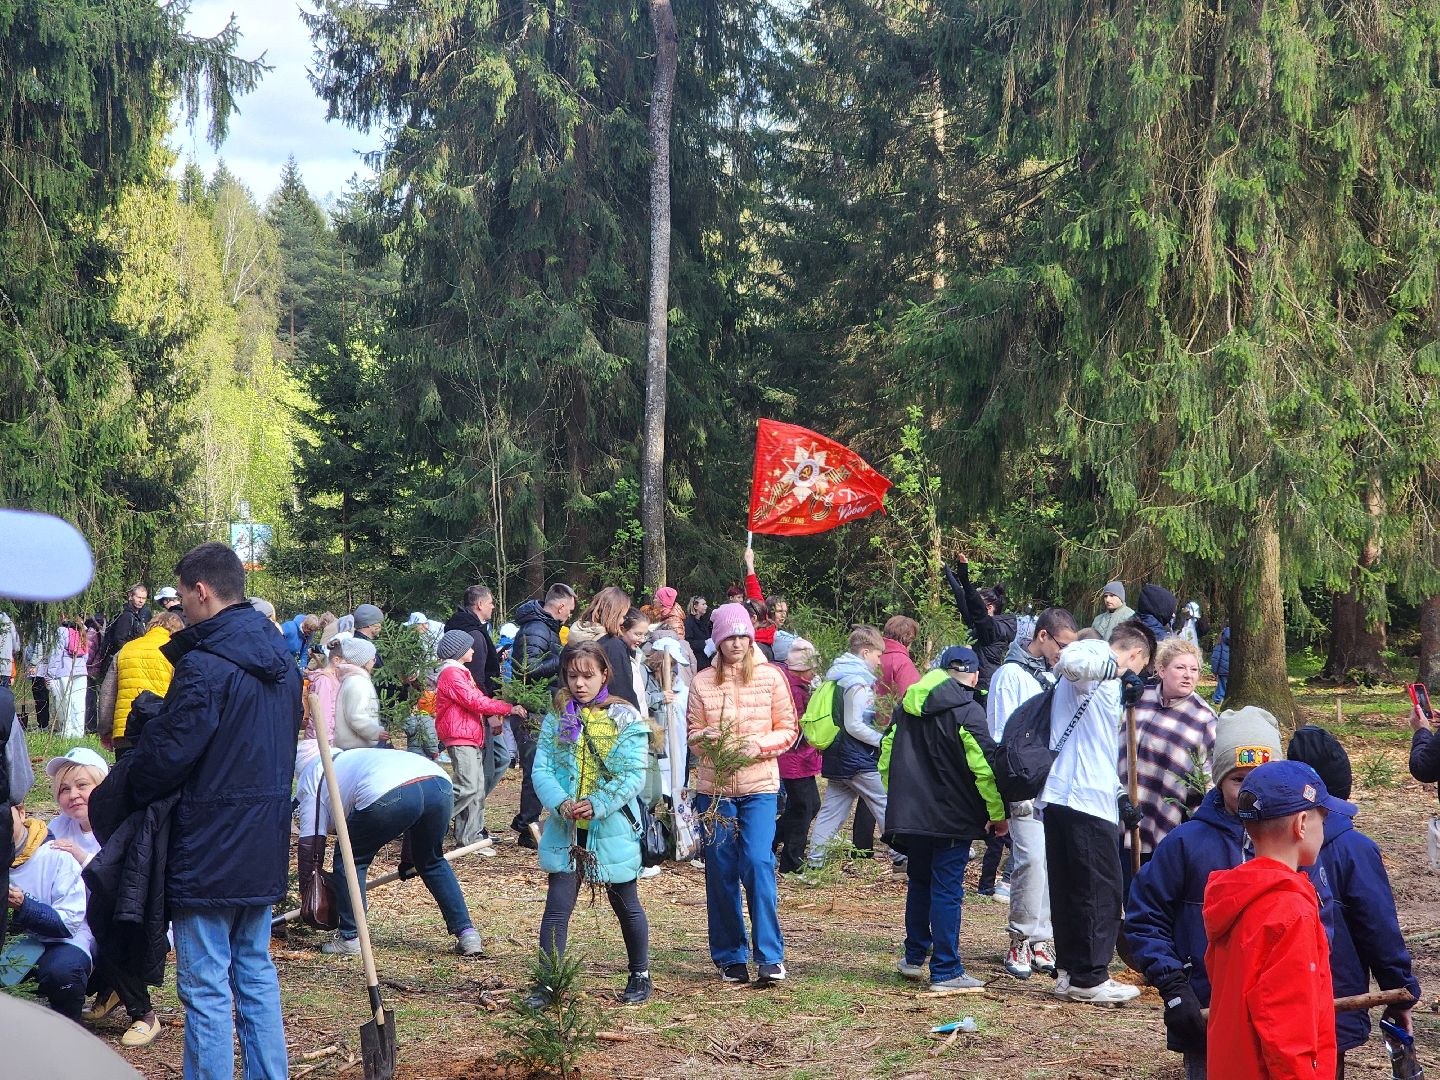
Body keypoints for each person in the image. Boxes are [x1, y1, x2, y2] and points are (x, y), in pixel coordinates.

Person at [122, 542, 298, 1080]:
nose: (180, 613)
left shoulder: (204, 665)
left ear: (202, 592)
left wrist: (137, 754)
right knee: (253, 972)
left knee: (204, 986)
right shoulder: (284, 662)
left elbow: (166, 760)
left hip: (209, 846)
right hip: (262, 842)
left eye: (184, 600)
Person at [1124, 707, 1288, 1079]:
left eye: (1262, 779)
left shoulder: (1296, 842)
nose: (1251, 792)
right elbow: (1145, 916)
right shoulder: (1187, 843)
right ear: (1218, 780)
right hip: (1206, 1011)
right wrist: (1174, 986)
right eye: (1238, 780)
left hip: (1278, 1013)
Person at [1203, 761, 1348, 1080]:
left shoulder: (1235, 897)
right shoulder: (1291, 911)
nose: (1325, 830)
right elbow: (1287, 1030)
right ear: (1302, 824)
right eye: (1322, 819)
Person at [526, 641, 652, 1006]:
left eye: (587, 675)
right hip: (566, 831)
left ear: (604, 675)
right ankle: (548, 981)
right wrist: (561, 803)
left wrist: (596, 804)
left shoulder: (625, 719)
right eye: (572, 675)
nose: (579, 683)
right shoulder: (559, 717)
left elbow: (632, 776)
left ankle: (640, 973)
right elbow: (543, 769)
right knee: (557, 907)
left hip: (611, 829)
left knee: (625, 903)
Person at [1286, 725, 1418, 1067]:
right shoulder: (1355, 849)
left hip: (1288, 1009)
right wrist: (1402, 990)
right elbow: (1377, 926)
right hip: (1329, 1005)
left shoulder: (1264, 837)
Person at [1038, 622, 1154, 1003]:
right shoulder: (1100, 655)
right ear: (1136, 654)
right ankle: (1090, 978)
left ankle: (1071, 972)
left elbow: (1097, 748)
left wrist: (1120, 795)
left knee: (1071, 888)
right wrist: (1120, 670)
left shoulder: (1103, 683)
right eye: (1143, 667)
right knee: (1099, 890)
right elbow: (1068, 659)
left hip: (1078, 794)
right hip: (1079, 798)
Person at [687, 602, 797, 985]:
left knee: (757, 861)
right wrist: (705, 739)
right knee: (720, 868)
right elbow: (692, 734)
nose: (736, 643)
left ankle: (770, 954)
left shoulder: (771, 677)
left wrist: (759, 745)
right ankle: (730, 954)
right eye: (729, 637)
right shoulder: (702, 682)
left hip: (760, 787)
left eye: (742, 636)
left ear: (751, 638)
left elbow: (788, 729)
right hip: (714, 791)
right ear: (718, 641)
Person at [883, 645, 1005, 992]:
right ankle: (947, 971)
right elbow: (985, 769)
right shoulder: (969, 711)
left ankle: (913, 957)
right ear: (975, 676)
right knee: (948, 891)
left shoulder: (906, 706)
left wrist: (900, 800)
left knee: (920, 883)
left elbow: (886, 756)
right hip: (953, 816)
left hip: (913, 816)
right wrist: (999, 815)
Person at [297, 748, 483, 956]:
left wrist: (308, 891)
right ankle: (467, 934)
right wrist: (410, 859)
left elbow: (310, 842)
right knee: (431, 861)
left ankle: (350, 936)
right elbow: (415, 796)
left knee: (350, 860)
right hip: (438, 784)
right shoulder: (355, 757)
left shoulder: (311, 779)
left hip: (388, 790)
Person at [985, 606, 1078, 980]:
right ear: (1043, 637)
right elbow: (1004, 735)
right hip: (1024, 785)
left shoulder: (1054, 678)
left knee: (1050, 864)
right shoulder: (1011, 675)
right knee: (1030, 862)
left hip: (1053, 787)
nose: (1065, 653)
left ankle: (1043, 936)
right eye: (1063, 645)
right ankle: (1020, 938)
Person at [1120, 637, 1216, 885]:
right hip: (1121, 812)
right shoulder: (1139, 698)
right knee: (1121, 886)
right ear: (1161, 670)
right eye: (1180, 668)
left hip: (1164, 821)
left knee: (1151, 890)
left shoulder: (1203, 719)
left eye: (1194, 669)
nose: (1188, 675)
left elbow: (1208, 781)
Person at [805, 626, 889, 868]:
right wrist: (882, 740)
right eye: (877, 655)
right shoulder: (856, 682)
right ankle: (903, 857)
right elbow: (854, 725)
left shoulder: (838, 676)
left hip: (837, 753)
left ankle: (814, 863)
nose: (879, 661)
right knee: (884, 802)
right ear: (865, 652)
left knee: (832, 810)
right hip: (856, 758)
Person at [435, 629, 526, 845]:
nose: (474, 650)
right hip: (460, 736)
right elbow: (474, 701)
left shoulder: (461, 672)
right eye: (469, 646)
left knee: (475, 789)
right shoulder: (451, 674)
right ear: (458, 652)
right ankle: (429, 821)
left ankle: (470, 838)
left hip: (469, 736)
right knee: (466, 786)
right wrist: (507, 708)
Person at [6, 803, 94, 1020]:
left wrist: (24, 905)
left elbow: (67, 923)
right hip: (16, 945)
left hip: (63, 942)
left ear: (21, 811)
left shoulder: (55, 854)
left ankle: (67, 1029)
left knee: (63, 973)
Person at [511, 584, 578, 847]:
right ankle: (528, 828)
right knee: (536, 770)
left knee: (540, 767)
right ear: (560, 606)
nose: (569, 616)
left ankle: (527, 823)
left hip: (542, 706)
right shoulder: (536, 629)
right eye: (569, 611)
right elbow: (526, 670)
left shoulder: (543, 627)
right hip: (532, 709)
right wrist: (563, 656)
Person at [97, 611, 183, 758]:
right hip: (159, 730)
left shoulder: (126, 649)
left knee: (125, 777)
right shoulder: (176, 650)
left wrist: (105, 730)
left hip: (124, 732)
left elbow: (108, 694)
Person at [773, 640, 821, 876]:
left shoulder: (801, 685)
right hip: (793, 757)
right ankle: (792, 862)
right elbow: (797, 726)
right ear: (803, 668)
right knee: (803, 807)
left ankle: (771, 838)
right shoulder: (792, 689)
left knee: (810, 805)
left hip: (803, 757)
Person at [942, 552, 1016, 693]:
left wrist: (965, 580)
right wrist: (947, 570)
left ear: (989, 608)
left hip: (986, 688)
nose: (972, 605)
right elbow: (960, 594)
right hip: (973, 683)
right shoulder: (976, 623)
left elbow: (977, 610)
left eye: (978, 602)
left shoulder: (993, 630)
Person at [576, 587, 640, 709]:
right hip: (606, 719)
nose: (622, 622)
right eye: (622, 616)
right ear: (613, 614)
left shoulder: (573, 640)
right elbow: (623, 693)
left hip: (573, 717)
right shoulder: (613, 646)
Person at [332, 635, 386, 749]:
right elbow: (356, 717)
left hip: (357, 744)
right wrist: (376, 732)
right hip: (357, 746)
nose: (374, 661)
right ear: (363, 661)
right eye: (372, 658)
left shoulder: (354, 679)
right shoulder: (358, 683)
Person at [446, 586, 502, 694]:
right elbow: (476, 678)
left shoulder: (460, 626)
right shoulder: (474, 635)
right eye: (490, 603)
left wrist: (494, 658)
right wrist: (485, 705)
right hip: (476, 701)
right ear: (480, 605)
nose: (493, 606)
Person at [46, 618, 89, 739]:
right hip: (81, 671)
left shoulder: (61, 631)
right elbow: (86, 654)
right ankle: (79, 733)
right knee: (79, 704)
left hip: (64, 670)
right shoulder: (83, 630)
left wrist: (50, 673)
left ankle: (67, 732)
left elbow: (56, 653)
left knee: (66, 703)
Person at [98, 585, 151, 678]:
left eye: (144, 598)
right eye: (138, 597)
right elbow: (118, 640)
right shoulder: (125, 615)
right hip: (122, 659)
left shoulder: (143, 614)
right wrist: (131, 654)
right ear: (131, 596)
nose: (141, 601)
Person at [684, 597, 712, 672]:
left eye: (705, 604)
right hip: (697, 661)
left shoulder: (704, 622)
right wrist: (704, 643)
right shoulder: (689, 623)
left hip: (707, 659)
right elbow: (688, 643)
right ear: (695, 606)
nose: (706, 606)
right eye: (703, 604)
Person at [1209, 627, 1230, 706]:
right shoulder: (1238, 645)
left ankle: (1217, 701)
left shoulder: (1220, 644)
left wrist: (1214, 671)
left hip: (1222, 670)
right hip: (1234, 671)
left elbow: (1215, 659)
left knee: (1221, 686)